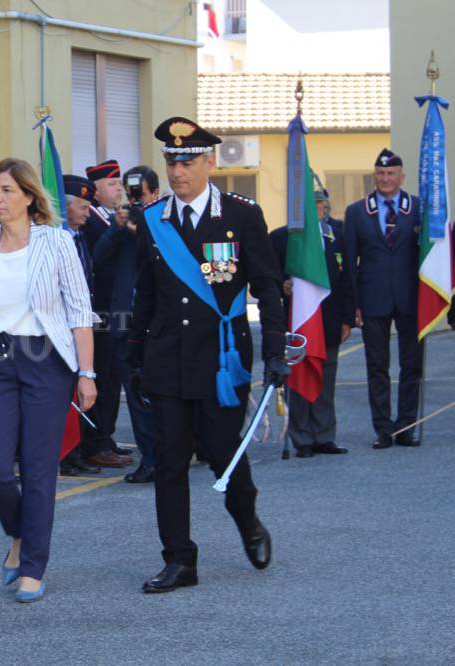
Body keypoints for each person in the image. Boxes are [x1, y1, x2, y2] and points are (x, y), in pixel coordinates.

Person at [127, 117, 288, 593]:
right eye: (171, 161)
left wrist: (275, 351)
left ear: (210, 162)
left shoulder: (241, 216)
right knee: (169, 462)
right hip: (167, 358)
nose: (178, 171)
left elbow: (267, 287)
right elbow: (146, 295)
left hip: (220, 358)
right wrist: (135, 359)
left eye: (188, 161)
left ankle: (248, 521)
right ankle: (179, 559)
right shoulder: (152, 220)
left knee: (223, 454)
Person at [0, 158, 97, 603]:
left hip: (46, 363)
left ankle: (33, 566)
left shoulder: (57, 242)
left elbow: (79, 312)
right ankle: (19, 533)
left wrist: (86, 374)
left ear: (29, 196)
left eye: (8, 190)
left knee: (37, 469)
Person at [343, 149, 422, 449]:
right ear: (374, 176)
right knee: (377, 366)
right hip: (372, 297)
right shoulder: (357, 212)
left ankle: (407, 426)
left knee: (411, 366)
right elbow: (350, 263)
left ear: (401, 176)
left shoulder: (417, 208)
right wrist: (353, 306)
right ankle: (383, 429)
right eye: (380, 173)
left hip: (411, 298)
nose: (385, 178)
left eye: (391, 173)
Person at [269, 187, 353, 458]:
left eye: (321, 205)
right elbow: (268, 277)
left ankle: (325, 436)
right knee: (299, 378)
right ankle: (302, 437)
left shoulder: (336, 235)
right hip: (297, 321)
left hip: (328, 319)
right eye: (312, 205)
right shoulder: (282, 238)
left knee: (326, 380)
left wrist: (348, 318)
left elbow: (347, 278)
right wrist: (283, 284)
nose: (318, 209)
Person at [93, 165, 160, 483]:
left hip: (159, 321)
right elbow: (99, 259)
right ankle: (149, 458)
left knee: (162, 391)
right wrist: (117, 227)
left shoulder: (165, 218)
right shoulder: (119, 223)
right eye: (132, 194)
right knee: (134, 393)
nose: (136, 201)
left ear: (155, 194)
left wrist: (143, 227)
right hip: (125, 321)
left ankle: (170, 454)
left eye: (141, 195)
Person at [78, 159, 133, 467]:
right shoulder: (90, 220)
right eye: (112, 184)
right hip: (99, 311)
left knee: (112, 379)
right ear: (96, 190)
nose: (119, 190)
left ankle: (105, 436)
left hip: (114, 309)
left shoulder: (109, 217)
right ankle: (94, 442)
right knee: (99, 375)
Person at [58, 174, 103, 477]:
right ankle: (63, 454)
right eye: (83, 207)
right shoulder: (59, 238)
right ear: (66, 207)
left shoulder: (79, 237)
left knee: (76, 392)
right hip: (61, 326)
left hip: (80, 321)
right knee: (63, 394)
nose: (88, 213)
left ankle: (74, 453)